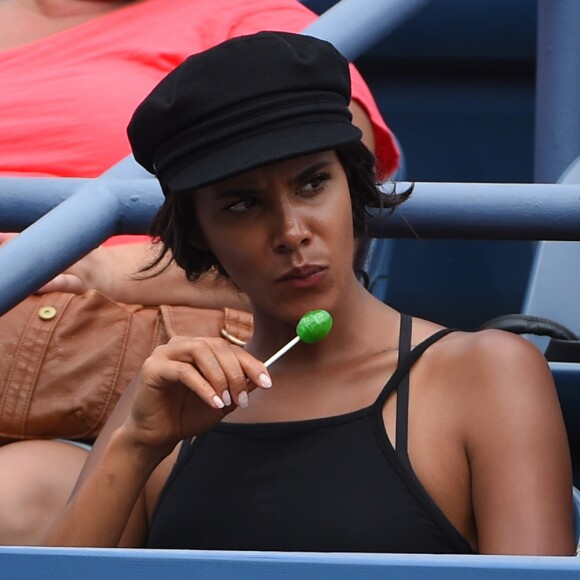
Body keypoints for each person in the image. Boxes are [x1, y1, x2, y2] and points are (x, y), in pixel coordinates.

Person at [43, 31, 575, 555]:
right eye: (242, 204)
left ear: (353, 186)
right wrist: (135, 446)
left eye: (312, 183)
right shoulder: (166, 402)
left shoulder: (485, 375)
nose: (291, 230)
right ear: (199, 231)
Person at [0, 0, 399, 545]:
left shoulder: (255, 19)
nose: (291, 222)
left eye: (310, 186)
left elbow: (327, 237)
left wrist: (107, 266)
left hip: (113, 336)